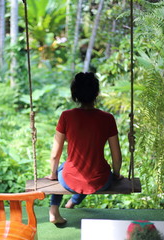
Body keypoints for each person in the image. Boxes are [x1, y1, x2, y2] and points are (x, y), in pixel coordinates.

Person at [46, 72, 123, 225]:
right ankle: (73, 202)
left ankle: (54, 210)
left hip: (70, 179)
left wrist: (52, 174)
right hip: (101, 181)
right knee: (92, 171)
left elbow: (55, 155)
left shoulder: (66, 116)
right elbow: (117, 157)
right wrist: (116, 174)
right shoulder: (107, 118)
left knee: (63, 168)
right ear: (96, 94)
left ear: (75, 95)